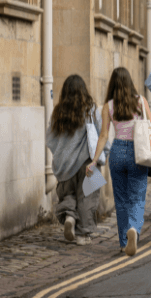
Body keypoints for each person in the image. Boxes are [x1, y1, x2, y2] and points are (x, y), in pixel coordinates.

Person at [87, 67, 151, 256]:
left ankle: (123, 242)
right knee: (137, 197)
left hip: (117, 152)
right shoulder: (140, 101)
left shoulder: (108, 106)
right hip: (138, 152)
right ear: (130, 82)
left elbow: (104, 135)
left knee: (120, 199)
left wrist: (94, 160)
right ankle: (134, 229)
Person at [47, 75, 105, 245]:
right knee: (88, 197)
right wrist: (103, 154)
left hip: (64, 164)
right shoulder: (91, 109)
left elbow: (50, 139)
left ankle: (70, 217)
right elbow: (101, 134)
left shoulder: (58, 112)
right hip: (88, 161)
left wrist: (62, 154)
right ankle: (82, 235)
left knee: (68, 194)